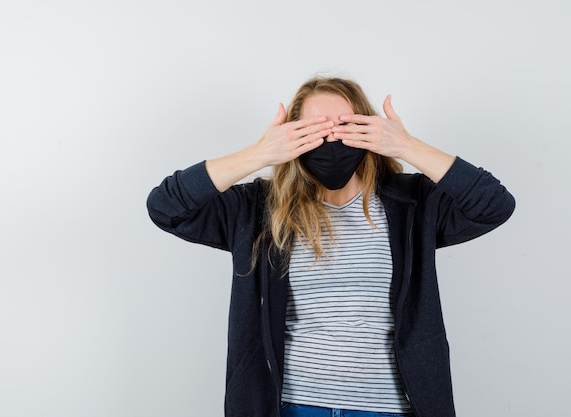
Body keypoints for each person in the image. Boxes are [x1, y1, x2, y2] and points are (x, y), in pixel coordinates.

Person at [146, 76, 515, 417]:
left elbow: (494, 204)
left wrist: (407, 146)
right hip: (294, 405)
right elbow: (167, 207)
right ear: (292, 133)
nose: (333, 137)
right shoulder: (258, 208)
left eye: (346, 125)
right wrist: (258, 154)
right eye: (316, 128)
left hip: (390, 407)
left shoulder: (413, 203)